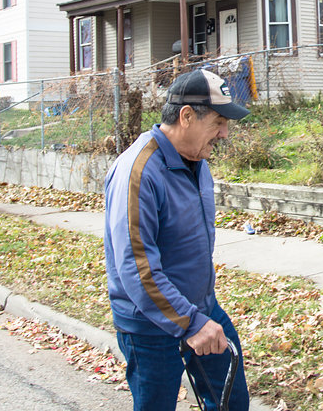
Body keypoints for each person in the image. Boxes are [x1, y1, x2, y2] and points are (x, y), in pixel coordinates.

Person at [104, 69, 251, 411]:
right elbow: (138, 268)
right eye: (218, 121)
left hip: (200, 308)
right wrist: (191, 323)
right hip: (149, 325)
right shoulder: (138, 172)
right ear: (187, 116)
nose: (225, 133)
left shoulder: (197, 162)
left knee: (231, 402)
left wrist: (200, 313)